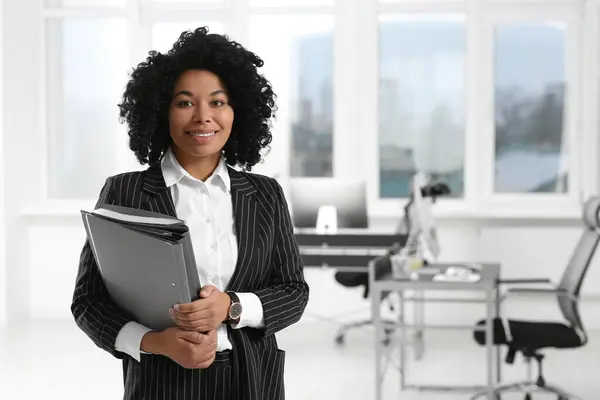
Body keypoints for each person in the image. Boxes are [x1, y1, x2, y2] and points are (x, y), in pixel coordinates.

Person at [70, 26, 309, 400]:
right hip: (162, 384)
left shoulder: (265, 194)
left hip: (253, 381)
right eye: (185, 103)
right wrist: (156, 342)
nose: (203, 117)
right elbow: (88, 303)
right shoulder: (125, 191)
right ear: (161, 111)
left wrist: (232, 307)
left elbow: (294, 293)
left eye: (217, 102)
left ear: (238, 110)